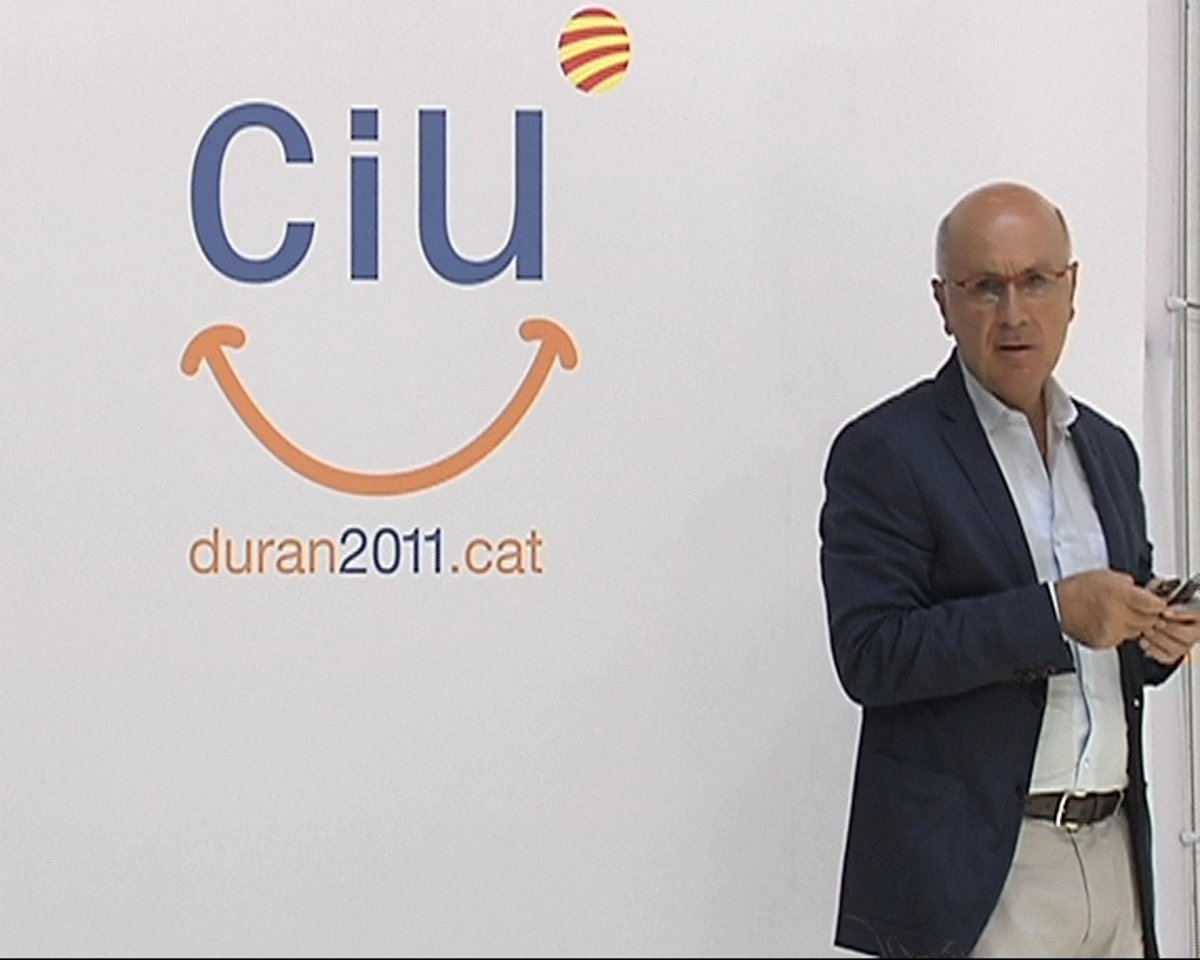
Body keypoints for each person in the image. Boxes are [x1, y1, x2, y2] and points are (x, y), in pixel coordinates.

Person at [819, 182, 1200, 958]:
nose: (1015, 311)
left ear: (1072, 288)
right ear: (943, 302)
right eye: (986, 287)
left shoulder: (1108, 449)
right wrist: (1056, 613)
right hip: (982, 874)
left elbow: (1110, 656)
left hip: (1115, 852)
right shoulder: (886, 451)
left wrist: (1155, 632)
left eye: (1036, 280)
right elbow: (871, 654)